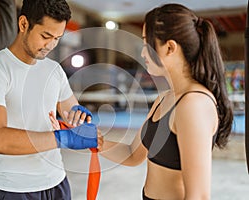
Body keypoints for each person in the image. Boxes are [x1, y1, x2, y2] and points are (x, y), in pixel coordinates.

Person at [96, 3, 233, 200]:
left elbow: (199, 196)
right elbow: (133, 154)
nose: (143, 53)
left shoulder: (193, 104)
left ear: (170, 47)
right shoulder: (166, 97)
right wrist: (93, 141)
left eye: (146, 43)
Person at [0, 0, 102, 199]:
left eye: (57, 38)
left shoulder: (54, 70)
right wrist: (62, 138)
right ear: (23, 24)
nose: (51, 45)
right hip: (16, 188)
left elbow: (72, 112)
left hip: (57, 181)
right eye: (45, 36)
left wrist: (81, 120)